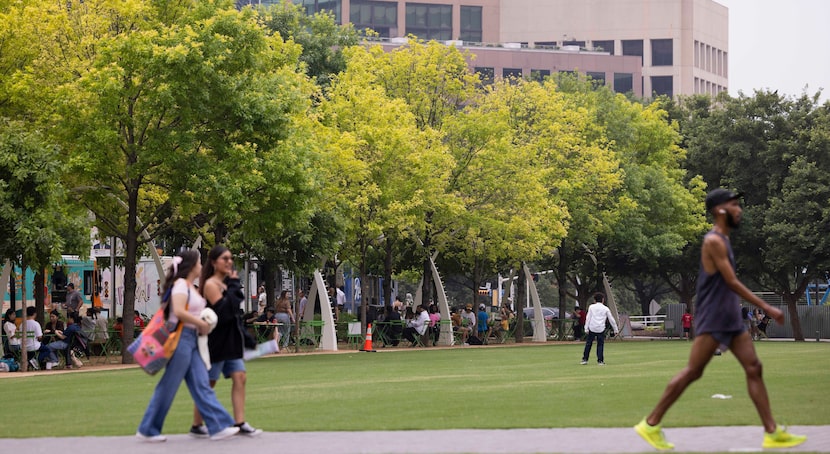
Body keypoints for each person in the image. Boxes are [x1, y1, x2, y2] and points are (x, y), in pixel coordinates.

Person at [634, 188, 806, 451]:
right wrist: (767, 308)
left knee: (753, 367)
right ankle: (650, 423)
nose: (739, 210)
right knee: (693, 371)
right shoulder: (713, 241)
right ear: (719, 210)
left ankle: (771, 432)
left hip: (729, 316)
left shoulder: (724, 240)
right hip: (714, 316)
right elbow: (731, 281)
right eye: (734, 205)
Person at [136, 250, 240, 442]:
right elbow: (178, 311)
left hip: (191, 339)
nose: (201, 266)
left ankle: (219, 425)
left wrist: (203, 324)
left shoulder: (189, 287)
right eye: (199, 263)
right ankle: (148, 428)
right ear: (192, 265)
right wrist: (201, 323)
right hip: (181, 339)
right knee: (169, 385)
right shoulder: (180, 286)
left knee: (201, 383)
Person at [190, 245, 263, 438]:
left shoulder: (226, 283)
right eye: (224, 259)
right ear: (214, 263)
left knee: (240, 377)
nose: (229, 262)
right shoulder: (211, 285)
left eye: (230, 258)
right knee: (210, 382)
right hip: (217, 340)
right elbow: (224, 311)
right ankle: (197, 424)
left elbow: (233, 311)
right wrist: (234, 284)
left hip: (231, 340)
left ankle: (240, 422)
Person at [580, 292, 619, 365]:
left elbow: (588, 318)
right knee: (600, 344)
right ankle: (600, 361)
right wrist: (615, 329)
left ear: (594, 300)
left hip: (592, 327)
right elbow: (611, 319)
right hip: (600, 328)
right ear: (603, 300)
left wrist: (586, 328)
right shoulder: (605, 308)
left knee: (588, 344)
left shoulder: (591, 307)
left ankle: (585, 359)